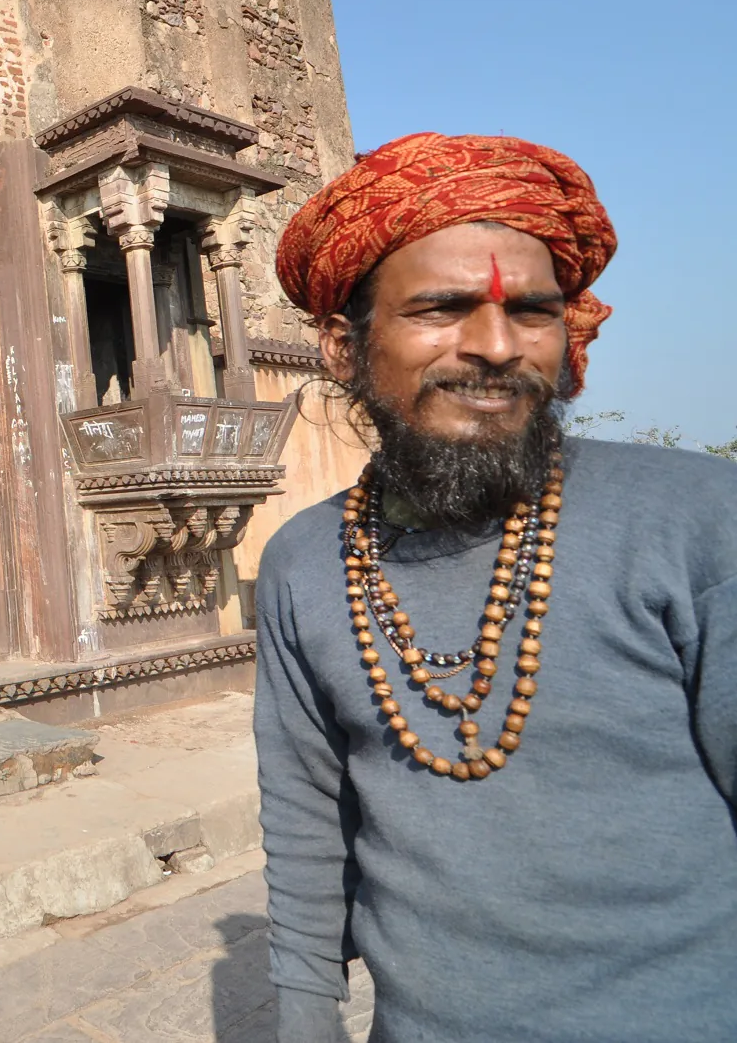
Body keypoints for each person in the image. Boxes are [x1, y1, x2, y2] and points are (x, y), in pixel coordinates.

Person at [253, 132, 737, 1042]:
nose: (494, 346)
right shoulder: (303, 563)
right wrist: (304, 1017)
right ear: (339, 346)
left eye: (532, 312)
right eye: (439, 309)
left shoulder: (698, 521)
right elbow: (307, 817)